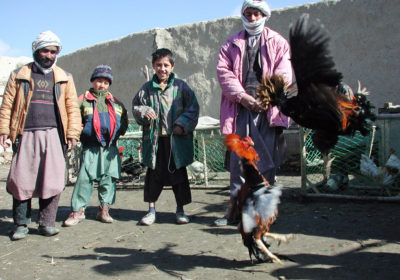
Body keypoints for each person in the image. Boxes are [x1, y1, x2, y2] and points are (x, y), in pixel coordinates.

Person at [215, 0, 293, 226]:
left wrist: (266, 98)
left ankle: (262, 214)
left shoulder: (278, 42)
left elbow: (283, 74)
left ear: (264, 15)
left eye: (256, 13)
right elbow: (224, 73)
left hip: (268, 112)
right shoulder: (231, 44)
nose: (252, 18)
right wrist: (244, 97)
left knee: (266, 162)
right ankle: (234, 213)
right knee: (239, 163)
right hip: (240, 110)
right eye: (248, 13)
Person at [0, 30, 82, 240]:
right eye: (45, 50)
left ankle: (46, 223)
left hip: (54, 135)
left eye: (53, 51)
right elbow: (7, 104)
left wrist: (72, 133)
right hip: (25, 134)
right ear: (36, 50)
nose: (49, 55)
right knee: (21, 180)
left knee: (52, 180)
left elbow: (72, 107)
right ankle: (21, 224)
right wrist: (3, 130)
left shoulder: (64, 77)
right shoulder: (20, 74)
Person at [132, 48, 199, 225]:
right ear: (153, 67)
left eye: (166, 65)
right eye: (158, 65)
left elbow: (193, 108)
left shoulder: (181, 87)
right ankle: (151, 211)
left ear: (172, 66)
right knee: (153, 176)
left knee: (179, 176)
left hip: (176, 142)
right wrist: (144, 111)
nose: (162, 69)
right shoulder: (146, 89)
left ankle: (180, 210)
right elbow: (136, 107)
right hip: (154, 142)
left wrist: (181, 125)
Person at [63, 65, 128, 226]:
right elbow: (73, 120)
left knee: (108, 179)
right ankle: (77, 211)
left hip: (110, 148)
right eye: (99, 81)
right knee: (85, 178)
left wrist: (115, 136)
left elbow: (124, 123)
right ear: (93, 81)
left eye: (106, 82)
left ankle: (104, 209)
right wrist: (80, 134)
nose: (102, 85)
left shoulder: (116, 103)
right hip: (90, 146)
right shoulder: (82, 101)